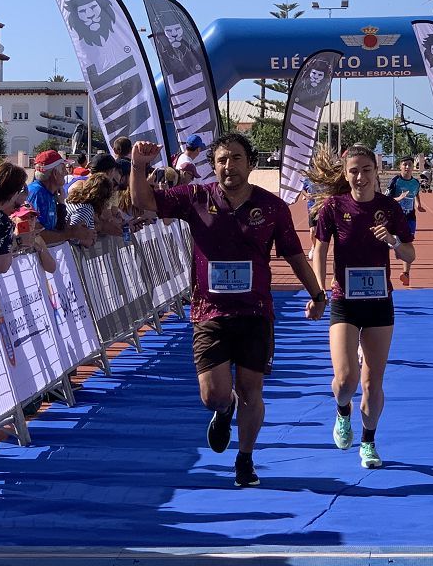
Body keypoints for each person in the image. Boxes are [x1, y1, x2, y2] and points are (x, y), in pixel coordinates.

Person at [129, 132, 326, 488]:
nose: (228, 165)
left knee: (253, 390)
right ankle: (224, 408)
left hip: (255, 313)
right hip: (210, 313)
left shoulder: (272, 207)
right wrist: (138, 165)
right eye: (221, 159)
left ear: (250, 163)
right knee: (213, 395)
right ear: (213, 166)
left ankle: (245, 459)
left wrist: (317, 292)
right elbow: (145, 202)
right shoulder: (196, 197)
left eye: (236, 158)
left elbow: (295, 254)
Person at [309, 145, 415, 469]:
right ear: (345, 173)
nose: (360, 177)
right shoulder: (332, 207)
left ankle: (368, 442)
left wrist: (394, 242)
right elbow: (319, 251)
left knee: (372, 383)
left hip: (380, 303)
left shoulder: (388, 208)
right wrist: (318, 294)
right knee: (345, 381)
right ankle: (343, 412)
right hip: (344, 301)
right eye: (354, 170)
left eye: (367, 169)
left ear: (376, 170)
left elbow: (410, 255)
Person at [26, 149, 94, 245]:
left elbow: (56, 228)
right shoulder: (36, 193)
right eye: (63, 169)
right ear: (54, 174)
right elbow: (38, 235)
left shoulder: (50, 193)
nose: (66, 173)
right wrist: (70, 234)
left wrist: (61, 204)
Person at [385, 156, 424, 287]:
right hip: (394, 218)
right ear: (400, 166)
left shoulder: (415, 182)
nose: (407, 167)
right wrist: (399, 198)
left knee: (408, 244)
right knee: (387, 244)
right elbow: (386, 199)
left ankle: (406, 274)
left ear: (413, 167)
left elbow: (416, 193)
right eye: (404, 165)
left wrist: (418, 204)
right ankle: (384, 273)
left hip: (410, 218)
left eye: (409, 165)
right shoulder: (395, 181)